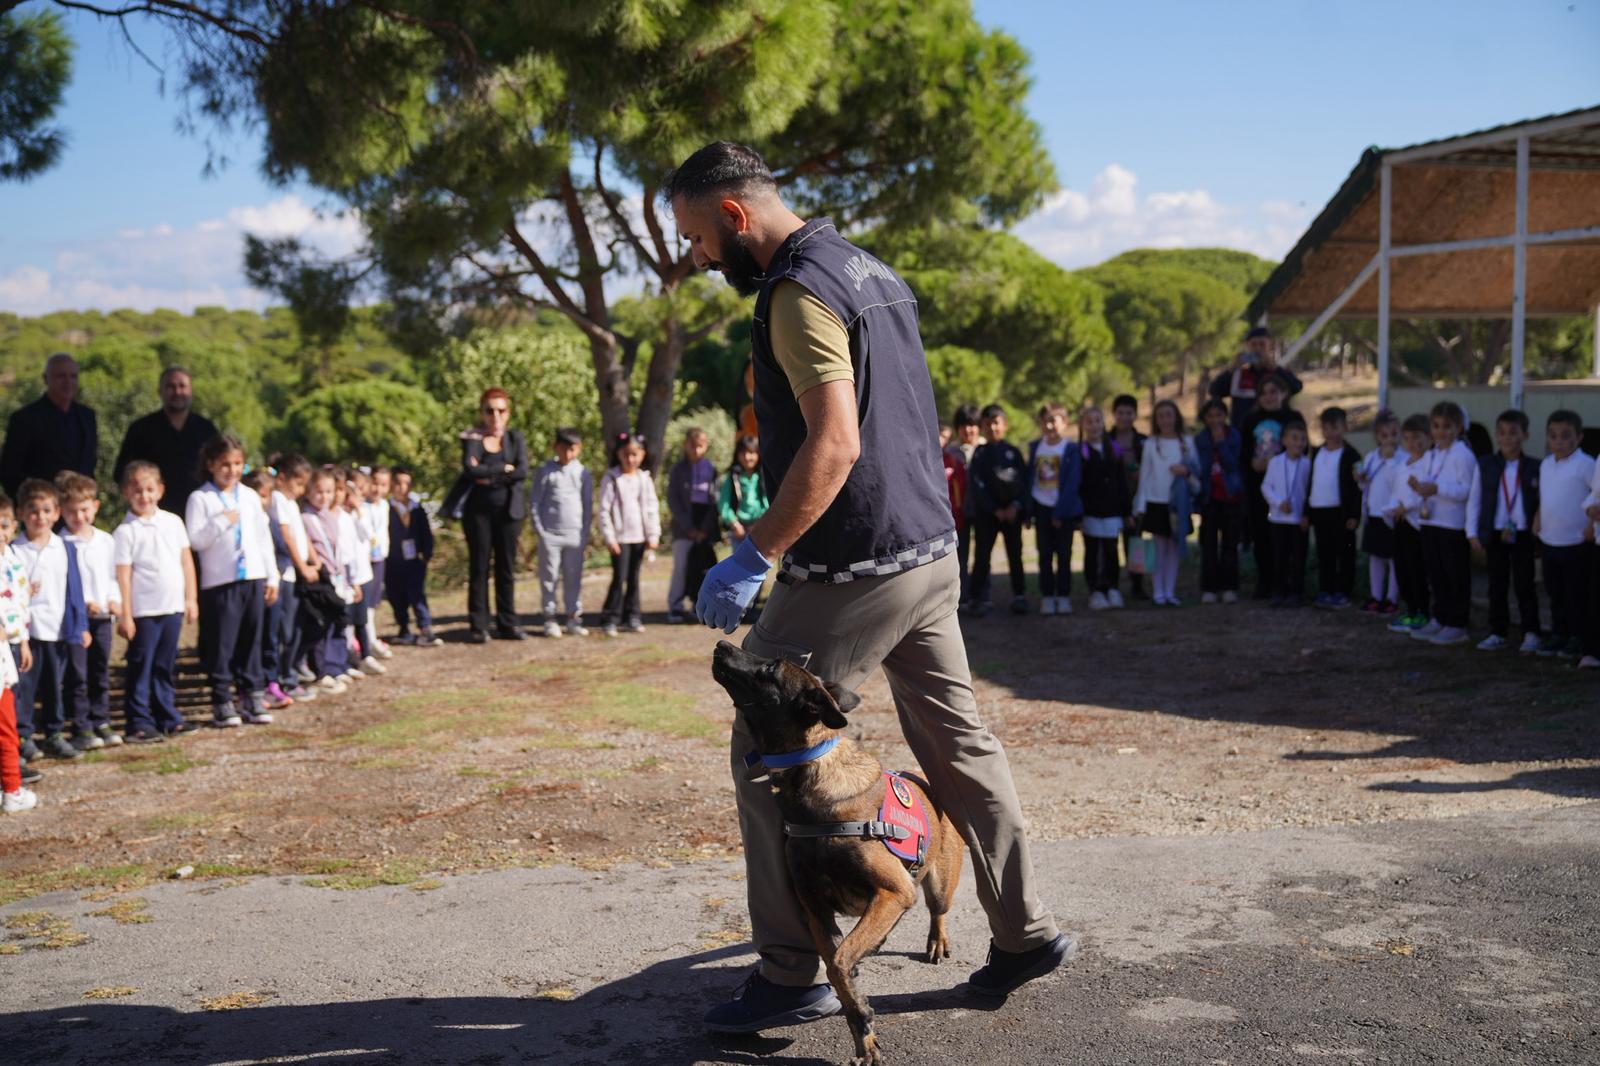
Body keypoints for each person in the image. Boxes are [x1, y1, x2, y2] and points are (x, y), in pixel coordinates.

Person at [669, 141, 1068, 1031]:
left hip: (853, 566)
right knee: (960, 747)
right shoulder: (869, 269)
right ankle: (1024, 931)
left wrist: (755, 552)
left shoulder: (796, 291)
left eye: (697, 237)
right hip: (929, 551)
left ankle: (790, 973)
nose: (696, 257)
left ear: (734, 215)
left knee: (765, 748)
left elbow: (838, 442)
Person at [185, 433, 279, 725]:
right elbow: (195, 540)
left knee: (251, 639)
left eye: (238, 464)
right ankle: (222, 698)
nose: (232, 470)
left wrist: (272, 576)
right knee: (222, 643)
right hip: (220, 582)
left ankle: (252, 694)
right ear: (211, 464)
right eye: (225, 464)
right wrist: (222, 521)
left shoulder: (249, 496)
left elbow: (262, 538)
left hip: (252, 576)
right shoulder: (201, 498)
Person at [114, 461, 199, 743]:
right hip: (144, 611)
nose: (144, 496)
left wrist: (190, 598)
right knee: (141, 666)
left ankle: (167, 716)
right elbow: (123, 575)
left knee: (165, 664)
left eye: (150, 489)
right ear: (127, 492)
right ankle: (138, 721)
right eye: (137, 490)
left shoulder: (173, 522)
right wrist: (126, 614)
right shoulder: (125, 532)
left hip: (171, 606)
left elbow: (186, 562)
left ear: (160, 490)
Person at [10, 479, 90, 760]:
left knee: (54, 685)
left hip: (57, 629)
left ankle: (54, 733)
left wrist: (80, 625)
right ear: (21, 513)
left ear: (56, 512)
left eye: (46, 510)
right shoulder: (14, 550)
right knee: (24, 688)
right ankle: (24, 736)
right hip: (27, 634)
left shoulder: (64, 548)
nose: (40, 517)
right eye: (33, 510)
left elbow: (75, 589)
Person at [1466, 410, 1541, 653]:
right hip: (1496, 532)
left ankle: (1531, 632)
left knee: (1524, 584)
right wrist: (1472, 531)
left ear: (1525, 435)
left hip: (1523, 534)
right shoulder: (1485, 464)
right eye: (1502, 432)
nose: (1507, 438)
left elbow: (1543, 501)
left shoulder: (1535, 467)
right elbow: (1475, 498)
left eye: (1513, 433)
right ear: (1496, 435)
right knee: (1496, 584)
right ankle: (1498, 631)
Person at [57, 473, 122, 749]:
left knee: (100, 670)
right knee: (78, 674)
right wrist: (83, 603)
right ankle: (81, 725)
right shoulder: (60, 543)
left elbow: (112, 576)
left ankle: (101, 719)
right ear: (62, 511)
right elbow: (63, 584)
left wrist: (114, 600)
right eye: (72, 511)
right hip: (76, 620)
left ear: (95, 506)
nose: (79, 517)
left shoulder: (105, 540)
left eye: (84, 509)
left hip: (103, 617)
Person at [459, 388, 529, 642]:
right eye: (490, 410)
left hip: (508, 513)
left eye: (501, 410)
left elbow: (522, 470)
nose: (495, 416)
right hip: (478, 514)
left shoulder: (515, 438)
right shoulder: (473, 439)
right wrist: (502, 468)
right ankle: (479, 625)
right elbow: (470, 471)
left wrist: (488, 474)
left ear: (508, 413)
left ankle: (507, 623)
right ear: (482, 413)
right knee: (479, 568)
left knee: (506, 568)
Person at [1403, 402, 1476, 647]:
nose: (1441, 431)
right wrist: (1418, 486)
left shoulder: (1463, 455)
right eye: (1436, 426)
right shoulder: (1431, 454)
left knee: (1454, 575)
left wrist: (1437, 489)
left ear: (1459, 427)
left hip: (1452, 525)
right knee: (1436, 574)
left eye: (1447, 426)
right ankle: (1440, 617)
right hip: (1430, 521)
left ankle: (1457, 623)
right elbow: (1428, 482)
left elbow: (1466, 491)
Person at [111, 365, 219, 517]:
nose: (177, 392)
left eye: (182, 386)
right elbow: (122, 473)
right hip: (154, 515)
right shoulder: (141, 429)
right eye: (170, 386)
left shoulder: (206, 429)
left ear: (191, 391)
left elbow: (219, 470)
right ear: (160, 391)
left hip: (202, 513)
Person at [1533, 410, 1594, 660]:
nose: (1559, 441)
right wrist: (1538, 517)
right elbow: (1546, 496)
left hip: (1576, 541)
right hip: (1551, 540)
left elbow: (1596, 496)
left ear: (1579, 437)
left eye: (1566, 436)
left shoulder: (1586, 464)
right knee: (1555, 592)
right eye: (1553, 436)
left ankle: (1577, 637)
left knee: (1576, 593)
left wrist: (1591, 525)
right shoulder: (1546, 464)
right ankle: (1559, 633)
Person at [0, 353, 97, 499]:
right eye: (61, 376)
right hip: (41, 506)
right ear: (46, 379)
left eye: (73, 376)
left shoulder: (87, 416)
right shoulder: (24, 419)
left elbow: (89, 463)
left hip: (78, 506)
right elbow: (10, 471)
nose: (68, 382)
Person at [1132, 400, 1199, 607]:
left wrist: (1185, 472)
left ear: (1176, 417)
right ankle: (1158, 591)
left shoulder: (1187, 442)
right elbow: (1145, 475)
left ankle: (1170, 591)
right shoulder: (1151, 444)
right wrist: (1140, 505)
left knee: (1174, 547)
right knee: (1158, 548)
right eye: (1160, 416)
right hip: (1156, 502)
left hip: (1179, 503)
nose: (1165, 420)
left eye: (1168, 415)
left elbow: (1195, 472)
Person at [967, 403, 1029, 616]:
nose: (992, 428)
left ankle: (1019, 596)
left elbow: (1024, 483)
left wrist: (1016, 506)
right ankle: (976, 598)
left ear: (1005, 425)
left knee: (1015, 554)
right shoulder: (979, 454)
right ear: (982, 427)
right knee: (982, 556)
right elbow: (977, 485)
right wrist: (994, 509)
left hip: (1012, 515)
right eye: (987, 424)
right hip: (987, 516)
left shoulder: (1014, 452)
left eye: (996, 423)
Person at [531, 428, 593, 639]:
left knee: (573, 577)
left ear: (579, 449)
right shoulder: (545, 471)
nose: (567, 453)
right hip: (550, 535)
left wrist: (584, 533)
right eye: (563, 448)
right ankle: (550, 618)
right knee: (549, 578)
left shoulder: (582, 473)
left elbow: (587, 505)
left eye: (572, 449)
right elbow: (535, 502)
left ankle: (573, 617)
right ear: (555, 447)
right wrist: (541, 531)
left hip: (574, 535)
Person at [268, 454, 320, 704]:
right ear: (282, 478)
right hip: (285, 574)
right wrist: (302, 566)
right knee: (284, 631)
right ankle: (282, 679)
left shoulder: (290, 502)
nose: (301, 491)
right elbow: (287, 536)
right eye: (298, 484)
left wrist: (313, 557)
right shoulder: (277, 500)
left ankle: (289, 675)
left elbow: (300, 533)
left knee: (295, 628)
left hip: (295, 574)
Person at [597, 432, 660, 638]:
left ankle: (632, 616)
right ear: (619, 454)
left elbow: (651, 507)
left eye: (635, 454)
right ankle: (610, 617)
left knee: (634, 578)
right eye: (627, 454)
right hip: (620, 539)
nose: (630, 459)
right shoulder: (612, 478)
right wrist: (610, 538)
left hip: (639, 537)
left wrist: (653, 535)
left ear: (642, 455)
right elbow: (604, 510)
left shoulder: (644, 479)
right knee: (620, 577)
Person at [0, 492, 40, 812]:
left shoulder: (14, 559)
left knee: (8, 720)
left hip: (11, 647)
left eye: (4, 524)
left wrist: (24, 641)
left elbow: (20, 604)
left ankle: (11, 785)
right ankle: (11, 788)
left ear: (14, 525)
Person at [242, 468, 295, 711]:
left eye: (266, 496)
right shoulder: (248, 523)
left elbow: (279, 552)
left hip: (274, 585)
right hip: (253, 587)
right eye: (258, 495)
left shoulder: (269, 521)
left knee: (272, 638)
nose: (262, 501)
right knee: (253, 639)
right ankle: (252, 686)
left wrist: (275, 576)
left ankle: (271, 681)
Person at [300, 467, 355, 693]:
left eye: (329, 492)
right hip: (319, 579)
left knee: (338, 621)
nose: (324, 497)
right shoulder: (305, 518)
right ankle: (321, 670)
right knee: (321, 625)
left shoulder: (330, 516)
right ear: (308, 492)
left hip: (336, 575)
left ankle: (337, 665)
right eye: (319, 492)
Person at [1240, 374, 1295, 599]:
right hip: (1258, 487)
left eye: (1273, 392)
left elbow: (1301, 447)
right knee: (1260, 534)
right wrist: (1253, 462)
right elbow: (1243, 452)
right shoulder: (1250, 420)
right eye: (1263, 393)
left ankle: (1286, 582)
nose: (1268, 397)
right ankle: (1264, 581)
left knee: (1284, 537)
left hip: (1286, 488)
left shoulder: (1293, 417)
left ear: (1283, 393)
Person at [1027, 403, 1081, 616]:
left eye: (1053, 421)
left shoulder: (1071, 449)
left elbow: (1073, 483)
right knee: (1044, 554)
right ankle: (1047, 596)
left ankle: (1064, 596)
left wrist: (1060, 512)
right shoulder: (1035, 447)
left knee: (1065, 555)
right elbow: (1030, 480)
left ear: (1064, 423)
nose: (1049, 425)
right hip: (1041, 508)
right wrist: (1029, 511)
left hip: (1063, 511)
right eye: (1045, 421)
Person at [1307, 407, 1362, 609]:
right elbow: (1309, 483)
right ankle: (1325, 589)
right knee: (1325, 553)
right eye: (1326, 428)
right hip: (1319, 510)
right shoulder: (1316, 453)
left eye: (1335, 427)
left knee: (1345, 553)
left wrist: (1354, 515)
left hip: (1341, 512)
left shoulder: (1351, 455)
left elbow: (1357, 488)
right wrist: (1306, 512)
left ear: (1345, 427)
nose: (1330, 432)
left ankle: (1343, 591)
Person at [1078, 406, 1131, 610]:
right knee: (1092, 551)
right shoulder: (1081, 451)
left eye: (1097, 421)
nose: (1094, 425)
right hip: (1090, 511)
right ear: (1083, 426)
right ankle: (1095, 591)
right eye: (1089, 421)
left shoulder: (1114, 448)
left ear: (1103, 423)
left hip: (1112, 511)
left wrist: (1126, 511)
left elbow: (1122, 481)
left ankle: (1113, 588)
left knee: (1111, 551)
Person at [666, 428, 721, 623]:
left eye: (700, 446)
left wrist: (705, 528)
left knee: (704, 568)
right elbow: (673, 500)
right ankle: (676, 606)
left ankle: (700, 606)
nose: (696, 450)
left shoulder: (711, 469)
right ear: (685, 445)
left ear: (706, 446)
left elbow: (715, 501)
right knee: (681, 567)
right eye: (692, 446)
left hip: (705, 524)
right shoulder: (678, 470)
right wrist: (688, 527)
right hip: (684, 527)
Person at [1193, 398, 1244, 604]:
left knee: (1230, 544)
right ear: (1205, 418)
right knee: (1209, 545)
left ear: (1225, 416)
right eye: (1210, 416)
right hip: (1209, 497)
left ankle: (1230, 587)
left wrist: (1221, 443)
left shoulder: (1234, 436)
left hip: (1231, 496)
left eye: (1219, 415)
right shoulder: (1200, 439)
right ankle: (1209, 588)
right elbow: (1200, 467)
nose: (1215, 420)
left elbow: (1233, 464)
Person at [1386, 415, 1435, 633]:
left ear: (1428, 437)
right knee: (1402, 567)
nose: (1412, 443)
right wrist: (1393, 508)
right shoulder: (1401, 465)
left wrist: (1406, 507)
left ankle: (1423, 612)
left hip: (1418, 524)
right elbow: (1396, 492)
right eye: (1406, 438)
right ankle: (1411, 610)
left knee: (1417, 569)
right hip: (1400, 522)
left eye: (1416, 437)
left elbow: (1426, 491)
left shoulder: (1430, 463)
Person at [1208, 326, 1303, 429]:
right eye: (1253, 345)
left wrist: (1276, 369)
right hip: (1243, 431)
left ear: (1270, 346)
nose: (1257, 349)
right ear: (1247, 347)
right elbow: (1214, 390)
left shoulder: (1278, 372)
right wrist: (1232, 369)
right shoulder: (1238, 374)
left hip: (1273, 431)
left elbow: (1296, 387)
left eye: (1262, 344)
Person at [719, 434, 771, 622]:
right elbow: (724, 505)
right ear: (737, 455)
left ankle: (753, 606)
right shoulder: (732, 478)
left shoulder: (763, 476)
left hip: (759, 529)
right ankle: (739, 607)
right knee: (740, 569)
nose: (748, 457)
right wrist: (734, 523)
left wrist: (761, 523)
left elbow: (768, 502)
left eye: (752, 453)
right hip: (739, 532)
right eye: (744, 453)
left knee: (759, 569)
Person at [386, 467, 439, 648]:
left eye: (407, 484)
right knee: (396, 595)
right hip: (393, 561)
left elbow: (426, 534)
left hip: (415, 560)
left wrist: (427, 554)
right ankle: (403, 628)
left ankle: (425, 628)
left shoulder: (417, 509)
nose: (402, 488)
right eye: (398, 483)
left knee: (417, 594)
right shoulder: (387, 509)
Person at [1356, 411, 1403, 614]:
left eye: (1394, 434)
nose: (1390, 439)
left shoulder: (1403, 458)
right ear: (1377, 436)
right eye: (1384, 435)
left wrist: (1390, 460)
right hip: (1374, 513)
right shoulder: (1370, 457)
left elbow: (1398, 483)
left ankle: (1392, 598)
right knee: (1375, 557)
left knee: (1394, 557)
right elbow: (1365, 486)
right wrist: (1360, 480)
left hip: (1392, 515)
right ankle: (1376, 595)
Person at [1261, 419, 1312, 607]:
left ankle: (1296, 592)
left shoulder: (1307, 464)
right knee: (1279, 557)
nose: (1299, 443)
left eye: (1302, 439)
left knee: (1298, 558)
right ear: (1284, 440)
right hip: (1278, 518)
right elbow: (1266, 486)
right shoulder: (1275, 462)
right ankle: (1278, 592)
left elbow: (1310, 491)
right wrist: (1278, 503)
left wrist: (1307, 515)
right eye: (1294, 438)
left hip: (1299, 520)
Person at [1109, 395, 1147, 600]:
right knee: (1109, 545)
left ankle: (1138, 586)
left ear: (1135, 415)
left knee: (1137, 543)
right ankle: (1110, 584)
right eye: (1120, 413)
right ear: (1114, 414)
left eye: (1129, 413)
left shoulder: (1143, 441)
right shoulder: (1106, 439)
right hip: (1111, 500)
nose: (1124, 417)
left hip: (1136, 499)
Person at [948, 404, 983, 607]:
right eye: (963, 425)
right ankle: (963, 596)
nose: (968, 430)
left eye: (972, 425)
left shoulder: (985, 448)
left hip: (983, 511)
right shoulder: (950, 452)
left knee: (982, 555)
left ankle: (981, 594)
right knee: (960, 555)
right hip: (958, 512)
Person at [362, 467, 394, 661]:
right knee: (364, 604)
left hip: (379, 557)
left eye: (383, 485)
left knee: (373, 603)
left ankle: (371, 638)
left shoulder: (384, 505)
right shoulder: (361, 506)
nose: (378, 489)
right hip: (364, 559)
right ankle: (366, 640)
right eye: (375, 483)